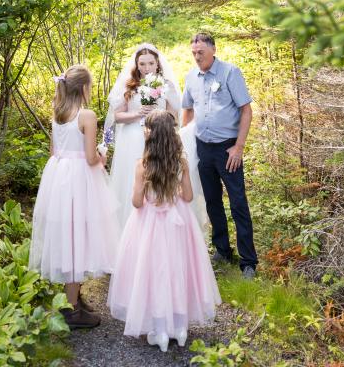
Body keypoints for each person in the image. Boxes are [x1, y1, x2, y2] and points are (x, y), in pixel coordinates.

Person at [108, 109, 221, 353]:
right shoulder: (181, 161)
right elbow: (188, 196)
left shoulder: (142, 165)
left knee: (154, 273)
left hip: (150, 225)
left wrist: (146, 195)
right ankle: (179, 329)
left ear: (149, 134)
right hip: (179, 222)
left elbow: (137, 202)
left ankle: (159, 330)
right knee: (176, 270)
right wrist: (175, 194)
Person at [28, 64, 120, 329]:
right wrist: (103, 154)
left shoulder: (58, 111)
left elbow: (54, 150)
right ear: (84, 88)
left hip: (59, 177)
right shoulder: (86, 115)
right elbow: (91, 157)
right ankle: (71, 311)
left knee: (68, 235)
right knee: (79, 237)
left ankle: (74, 297)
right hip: (80, 179)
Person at [182, 33, 258, 279]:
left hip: (228, 149)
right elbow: (188, 110)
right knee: (212, 202)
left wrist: (239, 147)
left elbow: (246, 111)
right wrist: (186, 144)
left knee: (238, 204)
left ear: (213, 49)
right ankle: (222, 250)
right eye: (194, 52)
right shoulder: (191, 76)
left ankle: (248, 262)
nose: (197, 56)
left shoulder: (230, 73)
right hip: (203, 148)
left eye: (201, 52)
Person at [105, 43, 182, 228]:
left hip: (159, 138)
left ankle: (158, 223)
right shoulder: (130, 85)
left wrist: (159, 114)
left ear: (157, 64)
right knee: (134, 179)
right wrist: (137, 113)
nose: (146, 68)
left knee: (156, 179)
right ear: (136, 65)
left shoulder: (167, 85)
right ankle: (131, 226)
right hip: (132, 138)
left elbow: (174, 117)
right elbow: (117, 116)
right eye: (142, 64)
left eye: (150, 63)